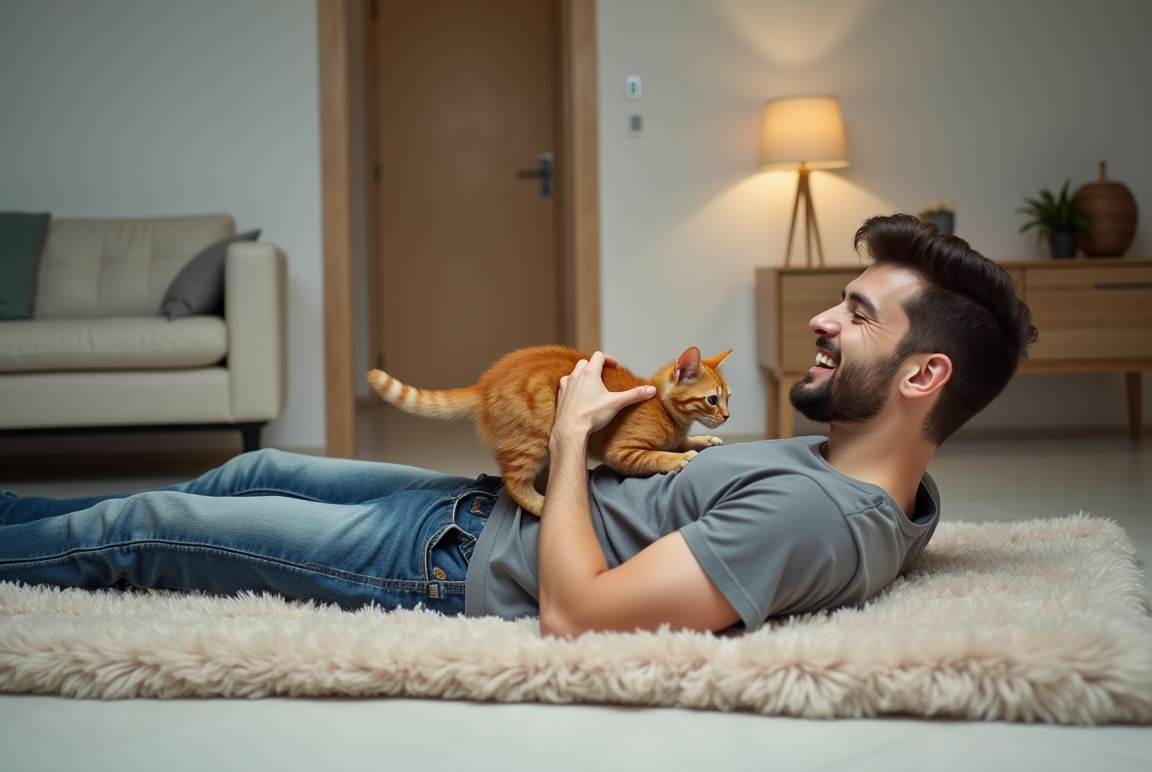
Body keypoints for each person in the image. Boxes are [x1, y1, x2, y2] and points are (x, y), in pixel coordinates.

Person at [0, 214, 1036, 637]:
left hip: (454, 565)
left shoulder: (820, 516)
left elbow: (578, 611)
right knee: (251, 466)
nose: (822, 315)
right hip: (475, 508)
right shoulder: (887, 488)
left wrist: (576, 431)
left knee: (144, 523)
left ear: (924, 372)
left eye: (857, 314)